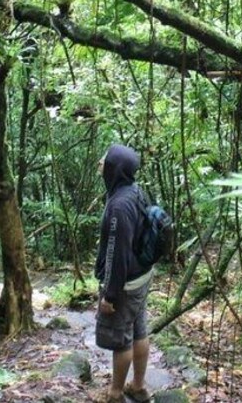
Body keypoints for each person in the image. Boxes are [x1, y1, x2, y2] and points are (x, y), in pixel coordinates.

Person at [95, 144, 153, 403]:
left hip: (125, 284)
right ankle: (138, 387)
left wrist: (110, 294)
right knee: (139, 331)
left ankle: (115, 394)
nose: (100, 162)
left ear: (114, 168)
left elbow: (116, 254)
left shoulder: (119, 205)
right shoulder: (135, 192)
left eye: (105, 160)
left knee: (121, 340)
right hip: (141, 276)